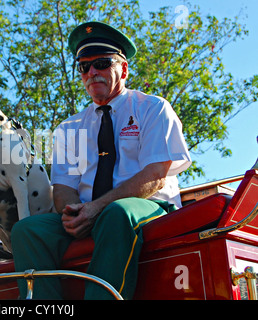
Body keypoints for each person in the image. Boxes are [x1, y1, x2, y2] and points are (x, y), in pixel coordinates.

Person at [11, 21, 192, 300]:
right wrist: (74, 214)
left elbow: (156, 175)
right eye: (84, 67)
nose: (92, 72)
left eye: (102, 63)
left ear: (124, 68)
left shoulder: (153, 108)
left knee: (116, 213)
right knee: (26, 230)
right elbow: (62, 189)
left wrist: (97, 208)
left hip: (147, 208)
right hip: (89, 213)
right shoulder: (69, 128)